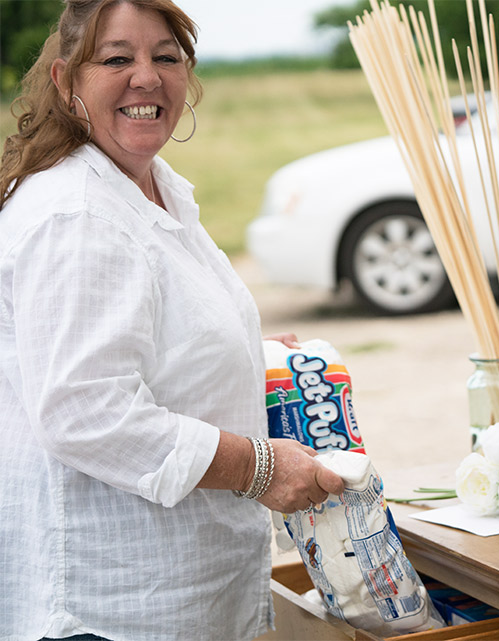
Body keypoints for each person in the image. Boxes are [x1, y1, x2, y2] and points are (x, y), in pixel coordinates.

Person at [0, 1, 345, 639]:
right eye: (116, 59)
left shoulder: (151, 185)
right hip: (113, 608)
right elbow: (86, 410)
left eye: (166, 57)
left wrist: (245, 352)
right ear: (66, 80)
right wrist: (258, 468)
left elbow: (138, 337)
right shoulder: (79, 215)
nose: (146, 77)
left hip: (171, 600)